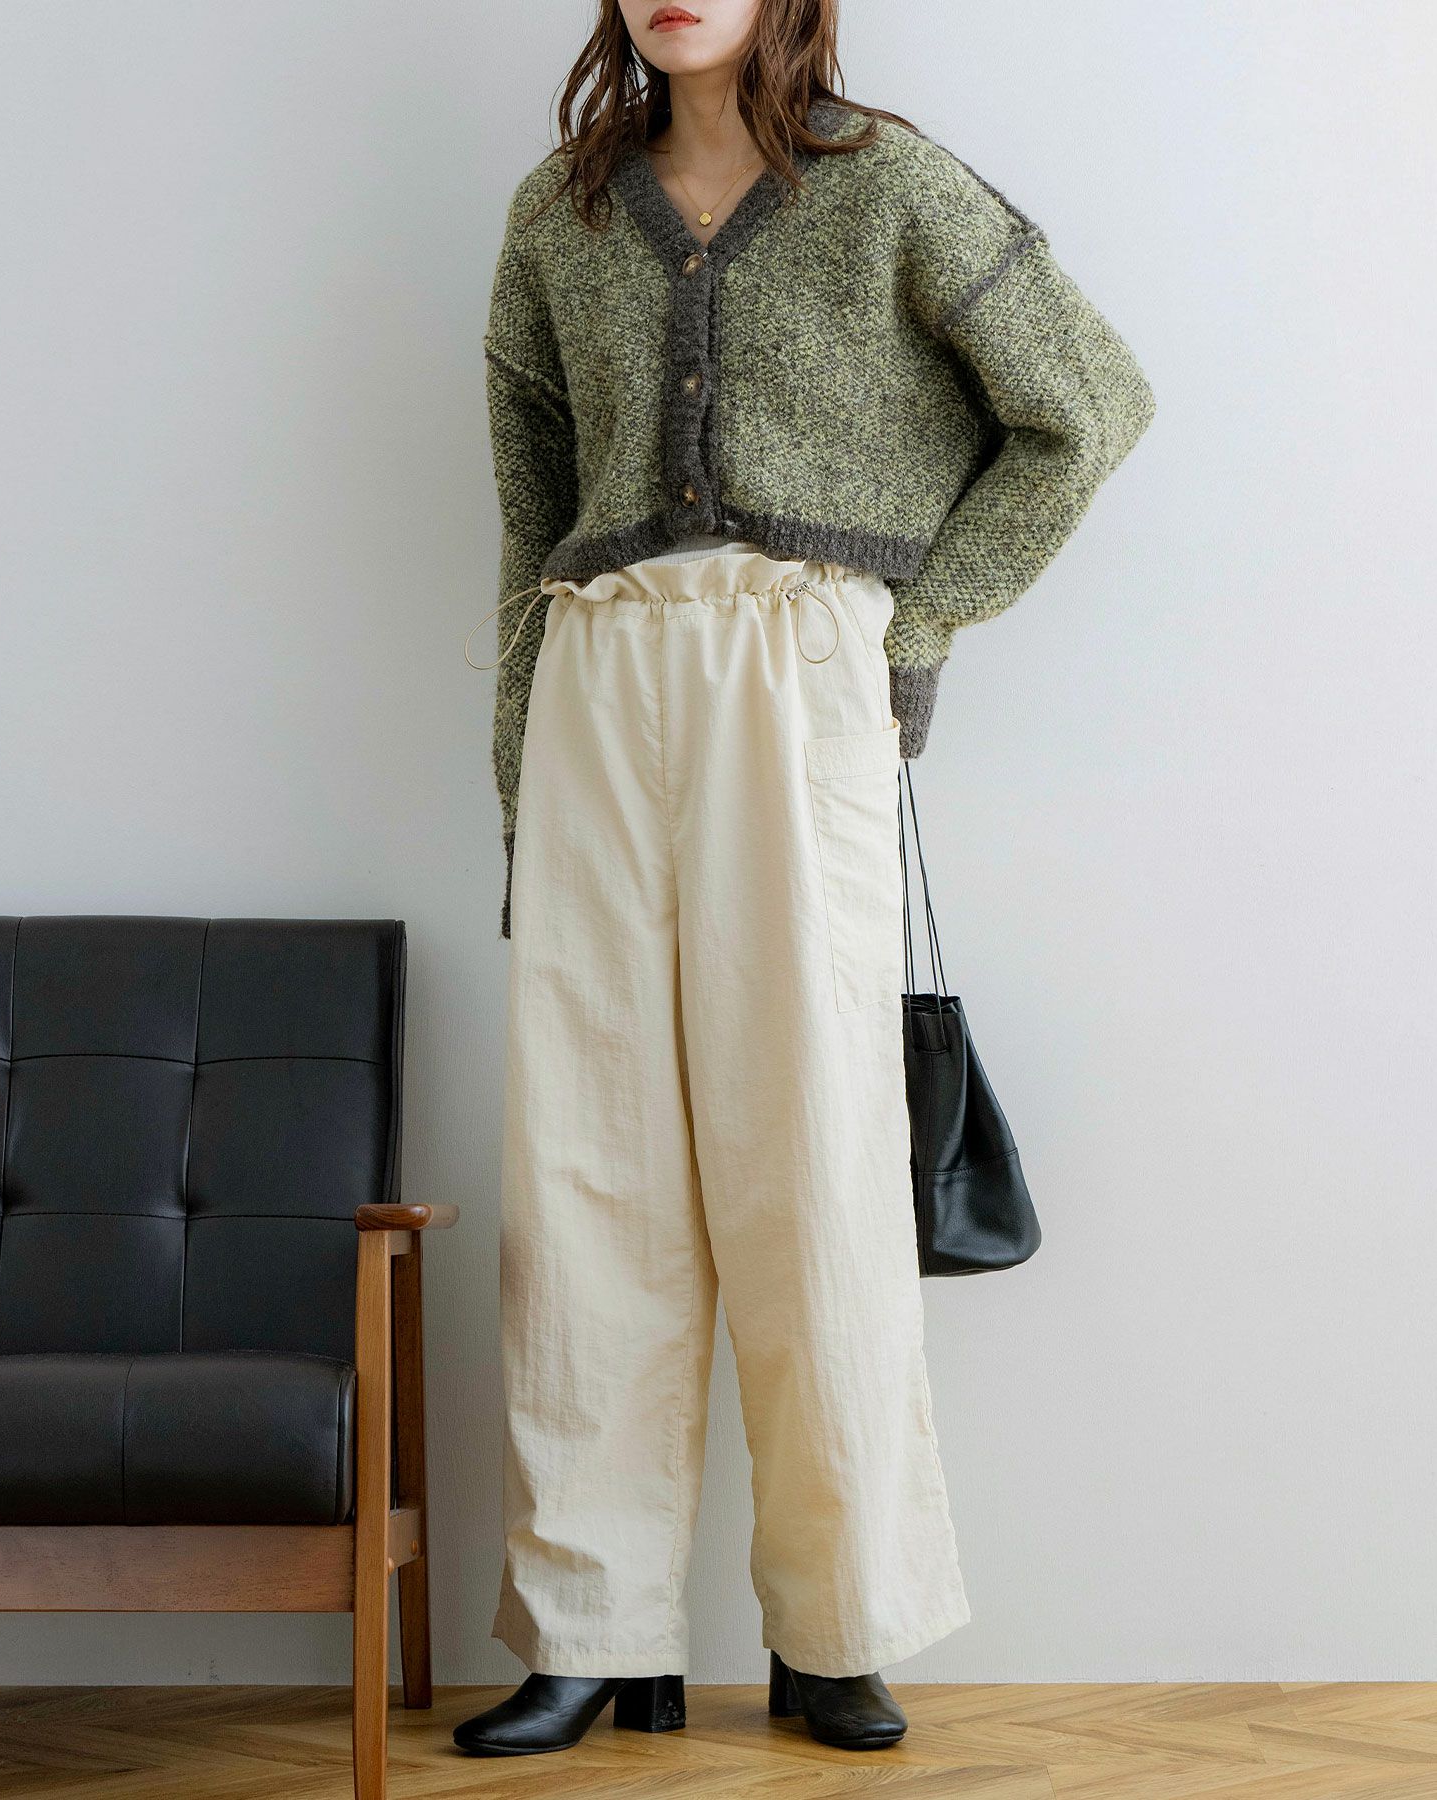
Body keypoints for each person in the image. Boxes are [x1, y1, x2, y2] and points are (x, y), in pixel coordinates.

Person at [457, 0, 1153, 1757]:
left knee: (815, 1151)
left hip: (797, 674)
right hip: (598, 675)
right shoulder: (561, 211)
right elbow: (530, 512)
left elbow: (1088, 407)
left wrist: (909, 630)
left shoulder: (891, 185)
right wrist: (520, 764)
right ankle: (591, 1626)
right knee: (586, 1160)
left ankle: (837, 1627)